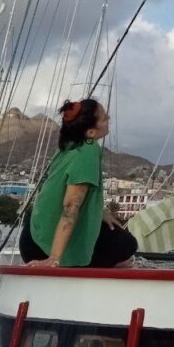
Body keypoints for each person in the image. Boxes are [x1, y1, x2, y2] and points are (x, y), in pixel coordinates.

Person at [19, 99, 138, 269]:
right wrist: (54, 258)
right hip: (41, 249)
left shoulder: (68, 145)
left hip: (32, 236)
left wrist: (99, 212)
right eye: (104, 118)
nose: (108, 118)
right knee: (127, 245)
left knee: (115, 235)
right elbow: (70, 207)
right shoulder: (88, 151)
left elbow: (58, 193)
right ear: (90, 131)